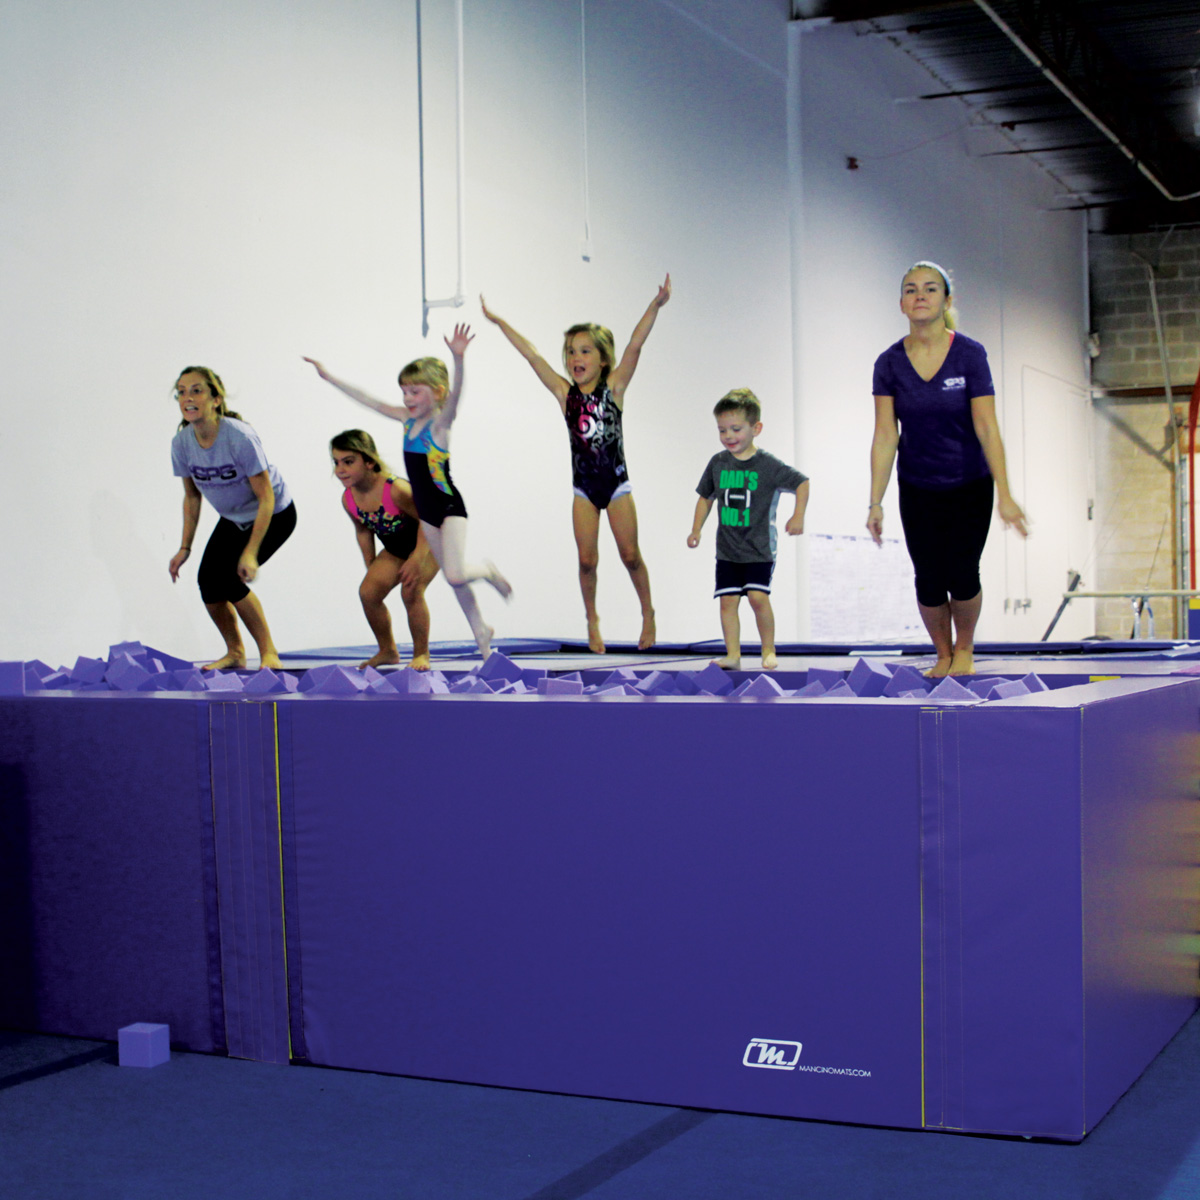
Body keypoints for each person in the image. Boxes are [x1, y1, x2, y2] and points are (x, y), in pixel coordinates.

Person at [480, 277, 670, 653]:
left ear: (603, 358)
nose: (575, 359)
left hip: (617, 485)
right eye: (570, 352)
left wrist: (656, 304)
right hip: (583, 487)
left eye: (584, 351)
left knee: (630, 556)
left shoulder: (614, 389)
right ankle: (591, 618)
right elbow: (532, 355)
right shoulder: (564, 393)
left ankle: (647, 611)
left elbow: (635, 344)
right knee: (587, 561)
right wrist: (500, 322)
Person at [304, 325, 509, 661]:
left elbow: (457, 397)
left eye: (415, 392)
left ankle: (486, 570)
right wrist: (330, 378)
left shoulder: (440, 425)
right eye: (404, 392)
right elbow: (368, 400)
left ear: (438, 392)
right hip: (427, 512)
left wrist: (458, 358)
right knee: (455, 582)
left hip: (448, 506)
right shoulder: (405, 420)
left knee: (456, 574)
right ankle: (482, 636)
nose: (407, 400)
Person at [867, 261, 1028, 678]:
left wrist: (1006, 494)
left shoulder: (970, 355)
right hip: (917, 484)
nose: (920, 295)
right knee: (928, 578)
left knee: (962, 570)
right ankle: (942, 652)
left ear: (946, 300)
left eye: (930, 289)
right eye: (911, 289)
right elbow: (886, 435)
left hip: (969, 483)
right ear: (901, 302)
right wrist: (875, 501)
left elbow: (987, 426)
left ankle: (966, 647)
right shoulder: (888, 363)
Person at [169, 366, 296, 670]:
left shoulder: (239, 437)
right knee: (208, 585)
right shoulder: (181, 444)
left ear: (216, 399)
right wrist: (184, 547)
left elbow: (266, 497)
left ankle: (269, 653)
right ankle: (235, 652)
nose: (188, 397)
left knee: (229, 578)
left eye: (197, 390)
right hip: (233, 517)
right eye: (181, 392)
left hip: (274, 514)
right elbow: (192, 497)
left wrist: (250, 553)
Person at [688, 389, 808, 671]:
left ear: (756, 429)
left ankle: (768, 649)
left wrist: (798, 515)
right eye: (722, 430)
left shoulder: (768, 465)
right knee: (727, 601)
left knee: (757, 597)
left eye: (736, 429)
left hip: (759, 548)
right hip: (728, 549)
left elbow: (802, 482)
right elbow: (705, 498)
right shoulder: (718, 463)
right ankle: (733, 654)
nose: (728, 436)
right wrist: (696, 529)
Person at [331, 430, 440, 671]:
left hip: (430, 544)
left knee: (410, 591)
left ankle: (421, 654)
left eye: (348, 462)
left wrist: (417, 557)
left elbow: (429, 520)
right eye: (336, 462)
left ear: (369, 462)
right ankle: (388, 650)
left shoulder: (397, 490)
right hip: (396, 549)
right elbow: (362, 530)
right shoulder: (348, 498)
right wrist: (370, 563)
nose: (340, 469)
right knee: (368, 593)